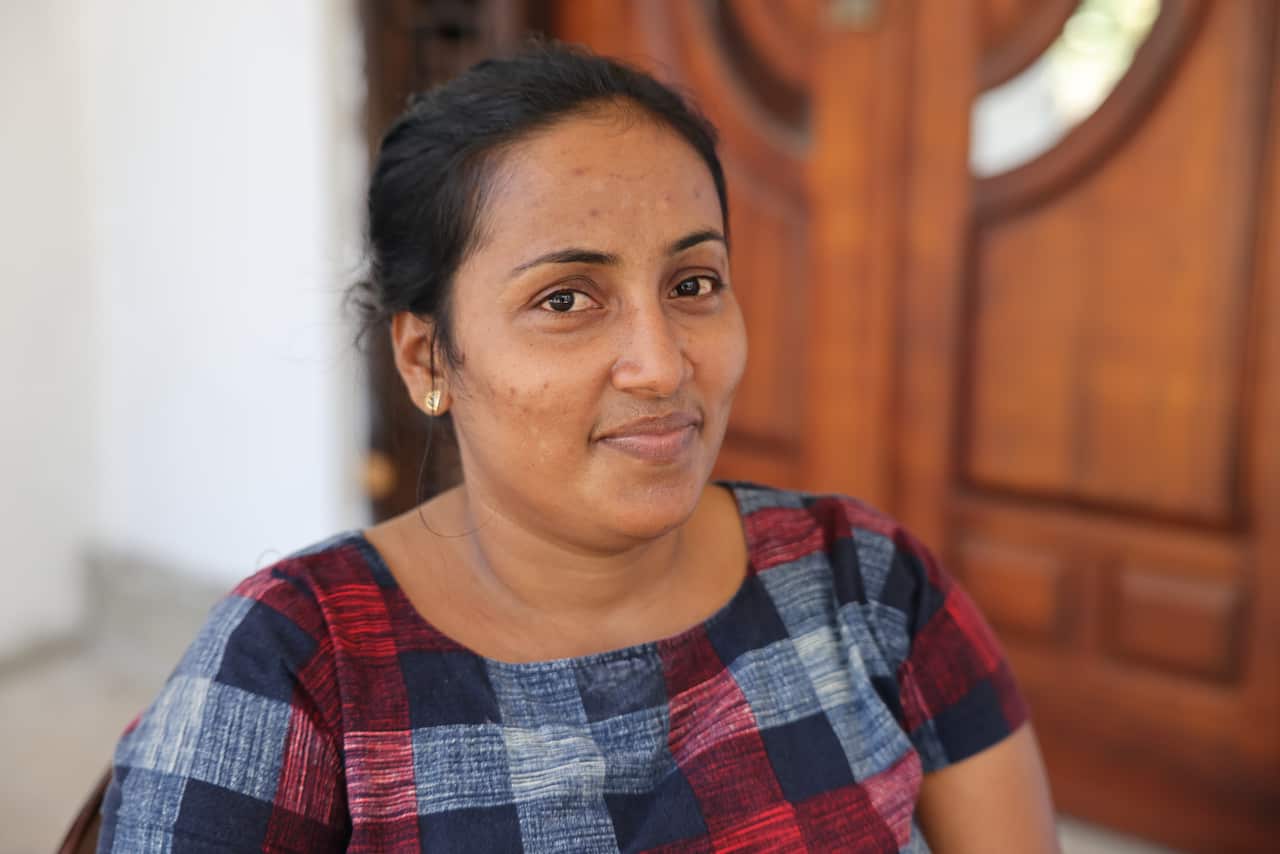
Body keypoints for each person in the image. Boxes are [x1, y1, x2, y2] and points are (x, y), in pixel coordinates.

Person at [97, 41, 1060, 853]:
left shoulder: (868, 583)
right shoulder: (295, 671)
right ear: (429, 353)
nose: (660, 364)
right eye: (566, 300)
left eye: (693, 283)